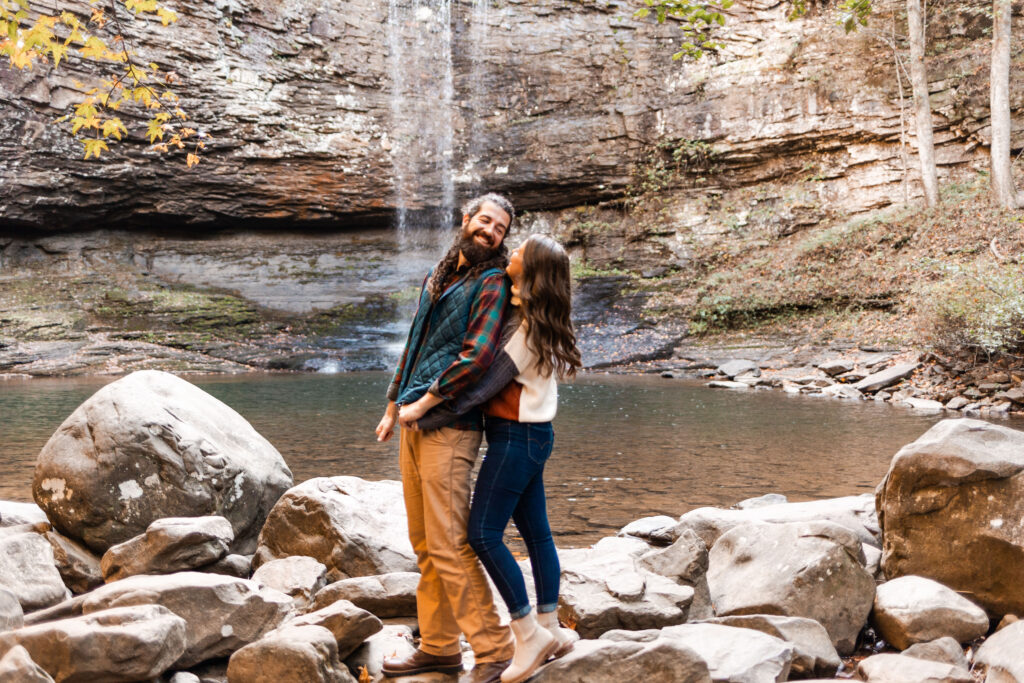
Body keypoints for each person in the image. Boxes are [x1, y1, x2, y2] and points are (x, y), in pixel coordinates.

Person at [400, 234, 582, 683]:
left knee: (482, 535)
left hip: (516, 439)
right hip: (532, 436)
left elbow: (483, 386)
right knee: (537, 534)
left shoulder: (525, 327)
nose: (510, 252)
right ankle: (550, 625)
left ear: (532, 269)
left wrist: (424, 409)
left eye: (518, 251)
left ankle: (526, 632)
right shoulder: (527, 311)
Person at [375, 193, 517, 683]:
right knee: (424, 544)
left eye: (499, 228)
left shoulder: (494, 282)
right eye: (484, 221)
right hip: (413, 422)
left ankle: (495, 648)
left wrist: (424, 402)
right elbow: (414, 343)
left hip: (450, 426)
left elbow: (477, 356)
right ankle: (438, 648)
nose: (490, 232)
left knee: (451, 545)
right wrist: (394, 406)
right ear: (466, 220)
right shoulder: (440, 275)